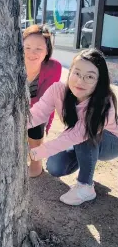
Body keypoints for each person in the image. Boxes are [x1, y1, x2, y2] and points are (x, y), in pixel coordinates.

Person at [28, 48, 118, 206]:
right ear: (70, 72)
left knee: (87, 134)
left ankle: (85, 187)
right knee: (55, 166)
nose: (80, 81)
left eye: (89, 76)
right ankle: (88, 162)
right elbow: (38, 113)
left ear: (99, 80)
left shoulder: (104, 102)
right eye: (77, 73)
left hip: (111, 142)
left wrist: (37, 152)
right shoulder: (58, 90)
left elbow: (78, 133)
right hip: (81, 138)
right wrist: (16, 126)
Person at [23, 24, 62, 177]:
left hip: (34, 115)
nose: (32, 53)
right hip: (10, 112)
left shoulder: (54, 68)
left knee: (37, 115)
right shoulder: (11, 66)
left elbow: (47, 104)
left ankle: (35, 161)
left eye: (39, 48)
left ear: (47, 51)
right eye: (27, 47)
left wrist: (44, 130)